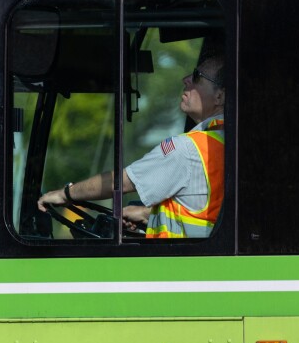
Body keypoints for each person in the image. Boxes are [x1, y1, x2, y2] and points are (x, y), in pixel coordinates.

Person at [37, 53, 225, 238]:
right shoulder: (232, 147)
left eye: (197, 76)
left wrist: (65, 194)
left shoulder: (188, 149)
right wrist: (146, 214)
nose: (185, 80)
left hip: (175, 265)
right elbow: (206, 214)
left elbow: (121, 182)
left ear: (219, 97)